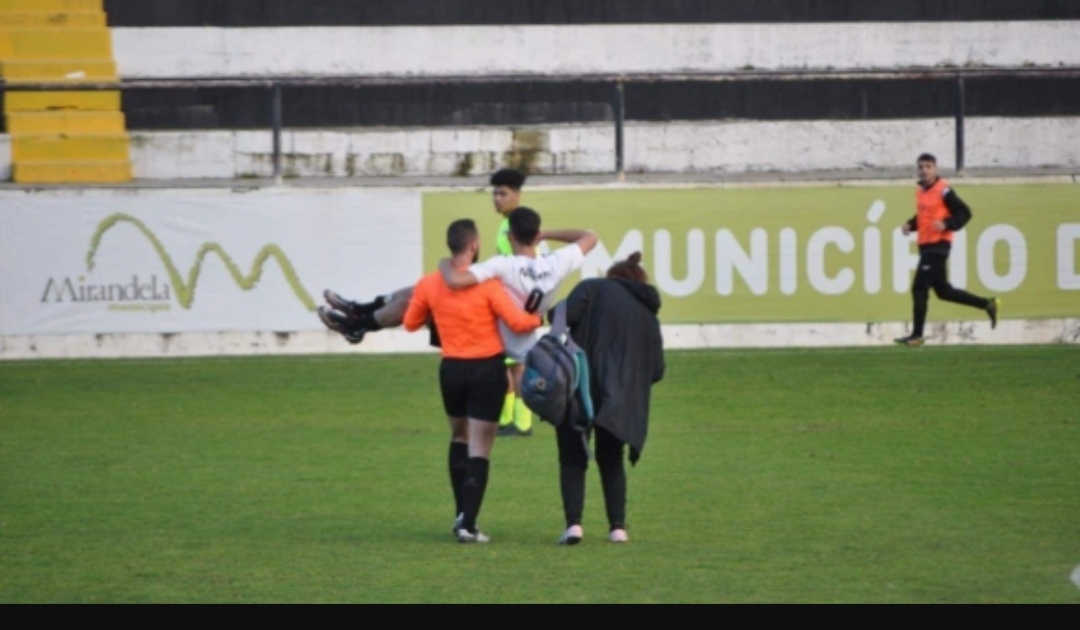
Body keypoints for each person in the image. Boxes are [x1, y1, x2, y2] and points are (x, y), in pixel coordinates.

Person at [402, 219, 543, 544]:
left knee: (459, 438)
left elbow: (410, 324)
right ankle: (468, 524)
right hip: (486, 369)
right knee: (481, 448)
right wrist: (543, 317)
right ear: (474, 245)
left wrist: (439, 314)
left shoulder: (429, 284)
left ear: (450, 245)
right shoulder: (488, 285)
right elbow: (519, 323)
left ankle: (460, 514)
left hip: (451, 370)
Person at [317, 168, 528, 347]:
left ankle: (357, 325)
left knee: (416, 300)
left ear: (517, 195)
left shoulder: (521, 227)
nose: (497, 199)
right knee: (418, 289)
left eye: (503, 194)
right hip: (491, 296)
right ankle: (359, 311)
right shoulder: (507, 225)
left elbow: (523, 268)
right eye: (495, 194)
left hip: (497, 305)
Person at [437, 206, 598, 437]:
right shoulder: (556, 263)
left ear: (510, 235)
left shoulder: (503, 265)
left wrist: (444, 263)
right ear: (535, 235)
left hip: (498, 348)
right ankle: (524, 424)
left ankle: (504, 426)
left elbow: (454, 280)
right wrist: (546, 234)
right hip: (538, 351)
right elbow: (591, 236)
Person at [554, 252, 665, 546]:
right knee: (611, 460)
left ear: (613, 275)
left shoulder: (591, 288)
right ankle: (618, 528)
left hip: (579, 387)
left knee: (572, 457)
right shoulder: (648, 316)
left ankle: (574, 526)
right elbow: (657, 370)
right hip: (620, 400)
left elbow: (560, 317)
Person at [894, 154, 1000, 347]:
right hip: (926, 246)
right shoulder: (921, 191)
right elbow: (925, 217)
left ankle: (917, 335)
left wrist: (948, 223)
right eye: (921, 167)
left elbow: (964, 212)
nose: (924, 170)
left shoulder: (943, 190)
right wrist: (911, 224)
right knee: (944, 292)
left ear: (936, 169)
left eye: (928, 166)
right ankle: (987, 304)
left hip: (938, 246)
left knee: (919, 288)